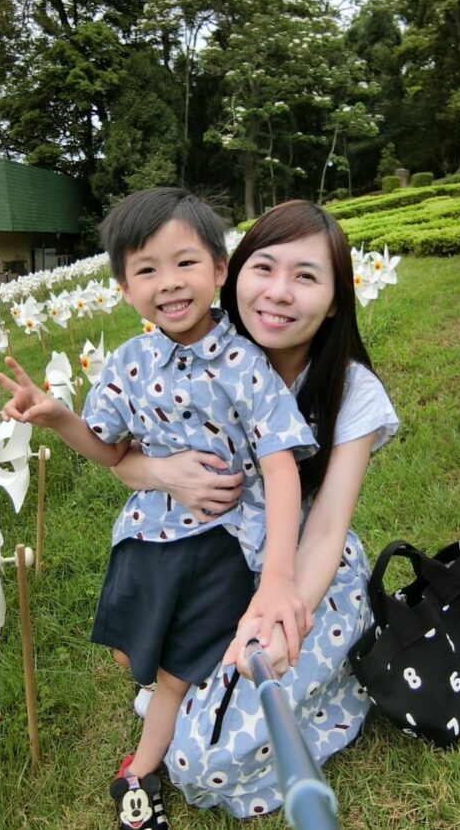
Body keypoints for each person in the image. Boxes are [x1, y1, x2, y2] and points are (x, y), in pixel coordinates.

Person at [0, 188, 317, 830]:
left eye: (185, 262)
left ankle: (138, 771)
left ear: (220, 270)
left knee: (167, 672)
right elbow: (111, 455)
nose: (169, 283)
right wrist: (59, 419)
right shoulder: (127, 363)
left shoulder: (247, 363)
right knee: (132, 651)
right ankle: (162, 697)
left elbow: (279, 466)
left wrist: (277, 574)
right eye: (146, 269)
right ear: (124, 287)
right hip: (147, 532)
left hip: (218, 542)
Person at [111, 199, 400, 818]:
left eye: (306, 277)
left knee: (200, 763)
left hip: (302, 574)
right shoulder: (201, 349)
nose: (278, 293)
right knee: (159, 682)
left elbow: (324, 530)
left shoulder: (353, 392)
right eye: (264, 268)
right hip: (214, 562)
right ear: (230, 272)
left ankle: (340, 682)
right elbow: (124, 457)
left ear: (335, 298)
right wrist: (166, 473)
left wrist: (279, 607)